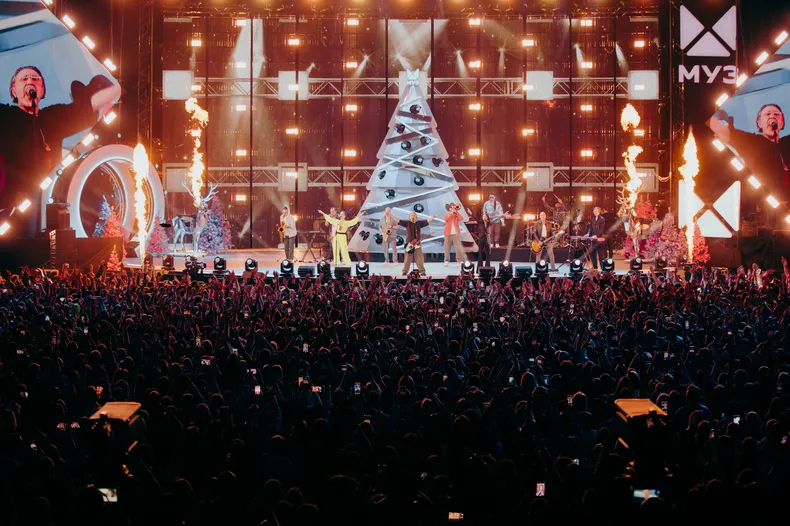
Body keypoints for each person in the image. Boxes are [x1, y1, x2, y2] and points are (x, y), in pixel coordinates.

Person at [0, 67, 120, 237]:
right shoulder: (6, 115)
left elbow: (105, 96)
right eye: (23, 78)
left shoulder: (52, 117)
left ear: (42, 89)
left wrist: (95, 85)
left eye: (35, 78)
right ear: (13, 90)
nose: (30, 81)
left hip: (48, 200)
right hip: (14, 205)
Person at [709, 104, 790, 216]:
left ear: (783, 122)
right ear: (759, 123)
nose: (772, 116)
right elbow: (724, 130)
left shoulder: (786, 144)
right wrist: (720, 113)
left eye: (776, 114)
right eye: (767, 114)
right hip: (768, 205)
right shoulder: (751, 142)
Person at [397, 211, 437, 276]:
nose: (413, 216)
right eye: (411, 215)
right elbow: (398, 221)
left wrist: (433, 217)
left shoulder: (419, 223)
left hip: (417, 243)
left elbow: (427, 221)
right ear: (410, 217)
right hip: (409, 243)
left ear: (416, 217)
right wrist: (390, 215)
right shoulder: (407, 223)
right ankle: (405, 271)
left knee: (419, 258)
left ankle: (422, 271)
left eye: (414, 215)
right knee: (407, 258)